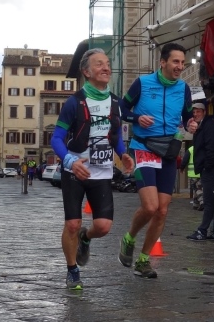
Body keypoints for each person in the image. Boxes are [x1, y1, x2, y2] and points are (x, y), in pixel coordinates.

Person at [51, 48, 134, 289]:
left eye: (107, 63)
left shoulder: (116, 102)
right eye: (99, 64)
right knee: (72, 224)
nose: (106, 68)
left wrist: (123, 154)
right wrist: (70, 162)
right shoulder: (74, 102)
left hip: (102, 172)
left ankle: (85, 238)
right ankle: (72, 270)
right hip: (75, 171)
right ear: (86, 72)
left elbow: (115, 135)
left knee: (103, 227)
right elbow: (56, 138)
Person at [118, 43, 194, 278]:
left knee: (161, 211)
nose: (179, 67)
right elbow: (122, 109)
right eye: (175, 62)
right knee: (150, 206)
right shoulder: (143, 83)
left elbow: (188, 116)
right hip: (144, 147)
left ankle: (143, 260)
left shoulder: (184, 88)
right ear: (163, 62)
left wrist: (191, 123)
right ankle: (129, 238)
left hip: (168, 151)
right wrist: (136, 118)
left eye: (182, 63)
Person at [186, 102, 214, 241]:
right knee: (213, 201)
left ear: (204, 112)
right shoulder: (203, 126)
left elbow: (212, 149)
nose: (195, 114)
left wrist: (206, 167)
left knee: (208, 200)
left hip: (211, 169)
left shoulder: (209, 126)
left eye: (198, 111)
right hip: (210, 168)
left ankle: (202, 230)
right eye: (194, 112)